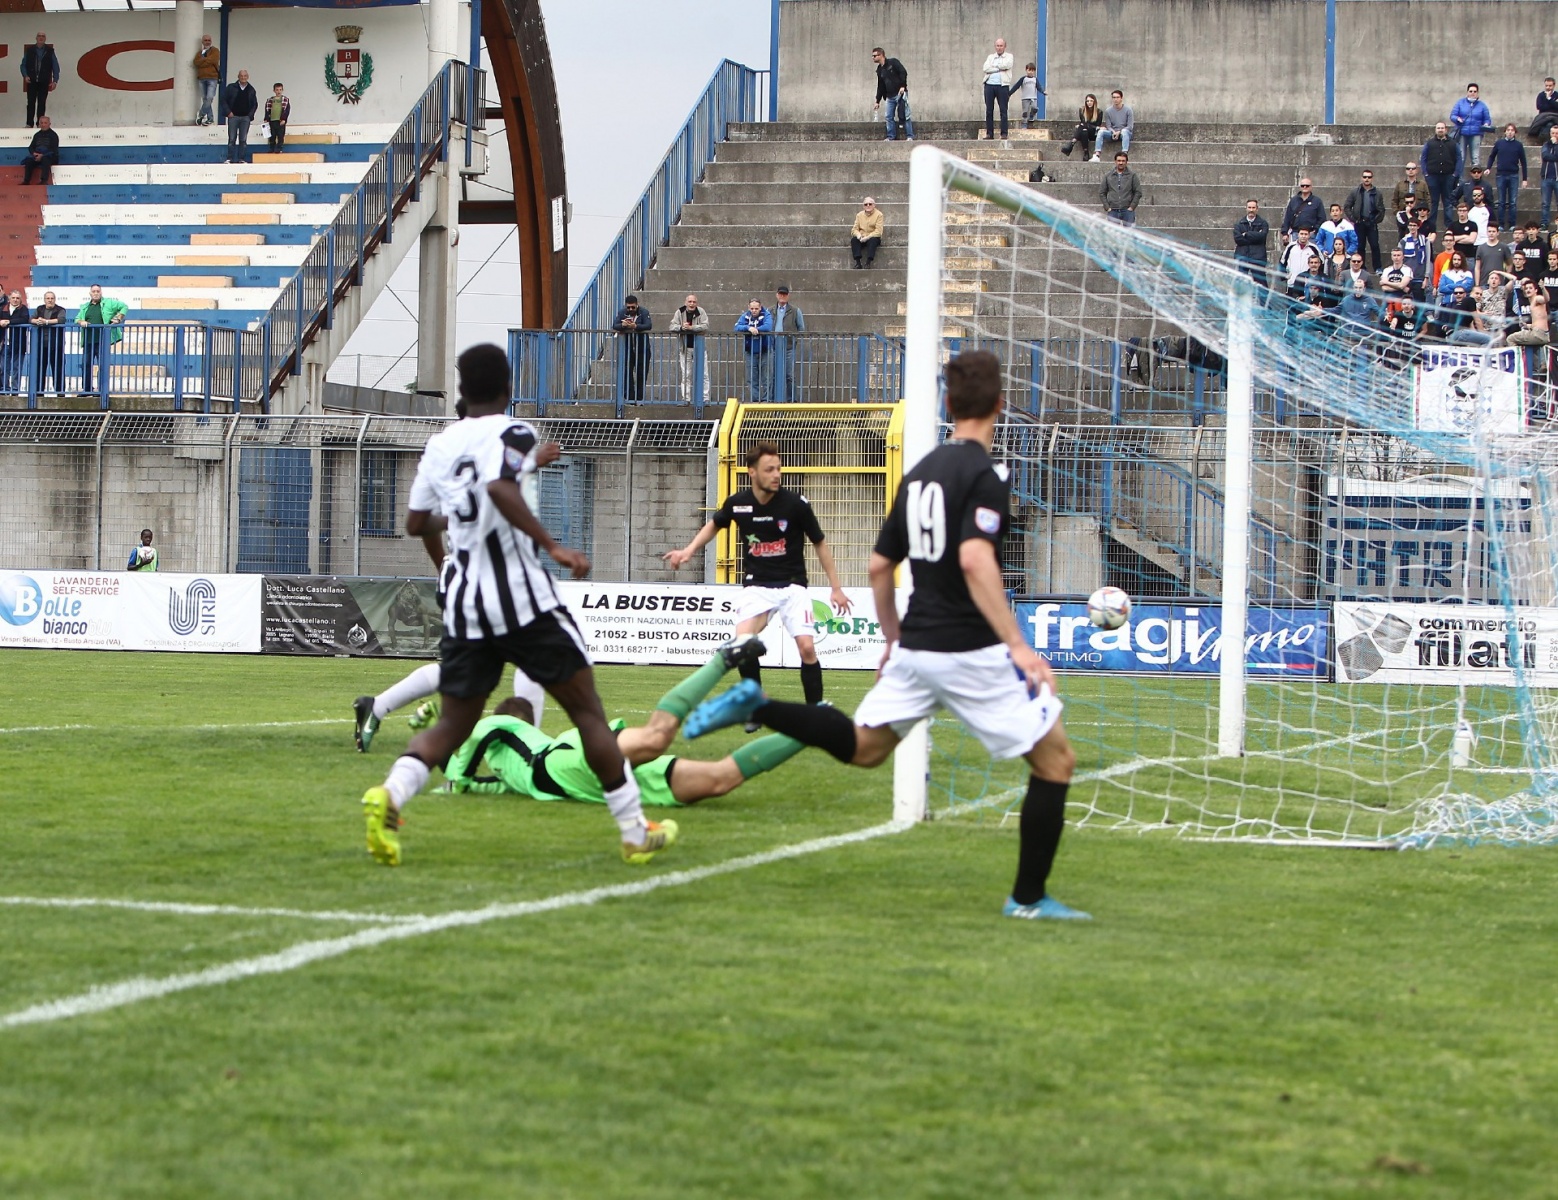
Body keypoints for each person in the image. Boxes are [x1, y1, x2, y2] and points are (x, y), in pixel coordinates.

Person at [683, 351, 1088, 922]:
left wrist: (893, 641)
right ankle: (1027, 898)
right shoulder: (986, 476)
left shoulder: (921, 473)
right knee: (1056, 762)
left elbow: (879, 565)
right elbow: (975, 558)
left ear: (947, 405)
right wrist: (1018, 647)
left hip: (916, 645)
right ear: (1000, 406)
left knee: (866, 748)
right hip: (969, 649)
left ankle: (760, 703)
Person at [361, 343, 675, 868]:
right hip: (522, 598)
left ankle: (390, 794)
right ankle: (633, 831)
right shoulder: (515, 429)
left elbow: (416, 524)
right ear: (508, 388)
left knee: (455, 724)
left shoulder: (440, 445)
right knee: (587, 713)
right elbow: (501, 487)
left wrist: (458, 526)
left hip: (466, 604)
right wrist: (552, 544)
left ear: (461, 390)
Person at [442, 640, 803, 808]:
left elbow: (472, 751)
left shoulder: (503, 725)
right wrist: (467, 784)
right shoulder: (508, 775)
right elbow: (490, 787)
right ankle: (812, 726)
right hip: (595, 788)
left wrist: (453, 783)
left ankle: (722, 661)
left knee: (655, 737)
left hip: (567, 762)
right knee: (720, 780)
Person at [663, 440, 851, 711]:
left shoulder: (796, 504)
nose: (776, 475)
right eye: (769, 469)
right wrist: (688, 550)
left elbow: (820, 542)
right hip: (757, 585)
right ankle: (755, 706)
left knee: (807, 648)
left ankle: (815, 711)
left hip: (792, 585)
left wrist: (836, 588)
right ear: (752, 472)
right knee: (743, 641)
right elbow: (715, 524)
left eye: (778, 469)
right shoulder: (739, 504)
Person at [76, 285, 127, 395]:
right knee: (86, 364)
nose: (96, 293)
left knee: (102, 365)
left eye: (98, 291)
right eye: (93, 291)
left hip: (102, 340)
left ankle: (101, 389)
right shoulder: (85, 306)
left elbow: (124, 306)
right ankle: (87, 389)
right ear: (90, 293)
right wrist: (81, 322)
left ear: (101, 292)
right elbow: (77, 318)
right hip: (88, 340)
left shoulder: (109, 303)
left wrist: (119, 318)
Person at [668, 292, 709, 406]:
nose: (692, 304)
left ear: (697, 303)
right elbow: (672, 326)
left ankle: (705, 399)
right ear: (685, 302)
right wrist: (681, 327)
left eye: (694, 302)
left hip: (699, 347)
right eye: (689, 302)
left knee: (704, 374)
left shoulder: (701, 312)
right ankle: (686, 399)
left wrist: (692, 328)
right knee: (686, 374)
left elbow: (705, 326)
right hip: (685, 348)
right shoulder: (680, 312)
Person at [1421, 122, 1463, 226]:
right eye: (1438, 128)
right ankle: (1431, 224)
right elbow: (1423, 159)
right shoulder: (1429, 143)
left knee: (1448, 202)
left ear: (1446, 129)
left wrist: (1455, 174)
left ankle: (1448, 225)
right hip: (1433, 177)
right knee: (1433, 202)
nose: (1440, 130)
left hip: (1448, 176)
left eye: (1442, 128)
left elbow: (1459, 159)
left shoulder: (1453, 143)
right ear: (1435, 130)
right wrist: (1426, 173)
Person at [1343, 168, 1386, 271]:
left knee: (1375, 246)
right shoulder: (1355, 192)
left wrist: (1376, 220)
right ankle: (1362, 267)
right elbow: (1347, 206)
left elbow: (1381, 209)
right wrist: (1353, 218)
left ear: (1372, 179)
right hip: (1359, 223)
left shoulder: (1377, 193)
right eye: (1365, 177)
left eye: (1369, 177)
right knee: (1361, 246)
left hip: (1371, 223)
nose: (1367, 179)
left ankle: (1378, 267)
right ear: (1361, 178)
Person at [611, 294, 651, 403]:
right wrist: (623, 325)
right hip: (627, 349)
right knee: (627, 374)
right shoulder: (622, 313)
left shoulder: (644, 312)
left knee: (641, 374)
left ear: (637, 305)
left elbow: (648, 325)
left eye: (633, 307)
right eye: (628, 307)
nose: (630, 309)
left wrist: (636, 326)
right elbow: (615, 325)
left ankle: (639, 399)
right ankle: (629, 398)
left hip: (642, 349)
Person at [733, 299, 773, 402]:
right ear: (748, 308)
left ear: (760, 307)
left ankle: (766, 400)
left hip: (765, 350)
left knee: (767, 378)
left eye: (756, 308)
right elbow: (737, 327)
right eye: (752, 308)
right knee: (751, 378)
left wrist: (757, 330)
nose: (754, 311)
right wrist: (748, 328)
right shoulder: (745, 315)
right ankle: (755, 400)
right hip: (750, 351)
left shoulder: (766, 314)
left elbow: (768, 326)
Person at [1450, 83, 1493, 181]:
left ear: (1477, 93)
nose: (1472, 93)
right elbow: (1453, 115)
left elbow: (1487, 119)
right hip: (1462, 133)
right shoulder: (1460, 103)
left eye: (1475, 91)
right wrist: (1457, 119)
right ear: (1467, 92)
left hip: (1476, 133)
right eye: (1471, 91)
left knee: (1475, 157)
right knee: (1461, 157)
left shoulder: (1482, 106)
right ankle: (1460, 179)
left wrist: (1486, 124)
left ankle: (1476, 179)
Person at [771, 285, 805, 402]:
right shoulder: (770, 311)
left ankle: (792, 401)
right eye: (780, 294)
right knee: (772, 375)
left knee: (789, 376)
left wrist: (794, 340)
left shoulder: (795, 311)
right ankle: (772, 400)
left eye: (784, 294)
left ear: (788, 296)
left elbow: (801, 328)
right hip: (773, 347)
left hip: (789, 347)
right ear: (776, 295)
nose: (782, 296)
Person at [871, 47, 913, 142]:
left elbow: (903, 72)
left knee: (905, 114)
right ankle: (891, 136)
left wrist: (903, 86)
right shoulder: (880, 70)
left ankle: (909, 136)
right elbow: (880, 86)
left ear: (881, 55)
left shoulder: (893, 62)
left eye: (874, 56)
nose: (873, 58)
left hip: (900, 93)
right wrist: (877, 101)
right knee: (889, 117)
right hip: (889, 96)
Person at [29, 289, 65, 395]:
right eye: (48, 298)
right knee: (40, 369)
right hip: (41, 345)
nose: (50, 300)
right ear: (44, 300)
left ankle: (60, 394)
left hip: (56, 345)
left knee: (58, 370)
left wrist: (46, 322)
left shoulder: (60, 309)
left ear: (55, 299)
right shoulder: (39, 309)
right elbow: (31, 319)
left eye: (52, 298)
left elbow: (61, 320)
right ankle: (39, 393)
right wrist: (37, 321)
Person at [980, 37, 1015, 144]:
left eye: (1001, 46)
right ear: (995, 46)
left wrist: (994, 67)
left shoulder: (1009, 56)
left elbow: (1007, 65)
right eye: (997, 46)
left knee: (1003, 110)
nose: (999, 48)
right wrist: (999, 68)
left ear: (1004, 46)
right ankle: (989, 134)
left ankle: (1004, 133)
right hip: (989, 85)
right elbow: (985, 68)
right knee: (989, 110)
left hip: (1002, 86)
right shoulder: (990, 57)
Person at [20, 32, 59, 129]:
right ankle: (29, 123)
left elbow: (55, 66)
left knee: (42, 102)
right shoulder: (30, 50)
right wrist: (25, 75)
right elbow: (23, 65)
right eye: (39, 36)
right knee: (31, 102)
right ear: (36, 38)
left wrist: (55, 80)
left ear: (45, 39)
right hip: (32, 80)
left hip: (44, 81)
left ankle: (39, 124)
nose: (41, 38)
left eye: (43, 36)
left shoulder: (50, 51)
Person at [1232, 198, 1270, 288]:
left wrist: (1246, 234)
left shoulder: (1263, 223)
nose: (1251, 210)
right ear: (1246, 208)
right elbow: (1238, 239)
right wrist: (1255, 236)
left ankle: (1263, 302)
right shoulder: (1239, 224)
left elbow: (1262, 236)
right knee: (1241, 284)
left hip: (1258, 257)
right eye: (1249, 207)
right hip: (1242, 256)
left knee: (1261, 285)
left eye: (1253, 208)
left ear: (1257, 209)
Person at [224, 69, 258, 165]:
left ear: (248, 77)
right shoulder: (231, 87)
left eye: (245, 76)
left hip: (245, 118)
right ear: (238, 77)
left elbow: (254, 104)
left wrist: (249, 116)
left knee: (243, 140)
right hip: (233, 117)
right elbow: (224, 100)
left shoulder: (251, 89)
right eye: (241, 76)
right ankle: (229, 158)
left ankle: (241, 159)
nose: (243, 78)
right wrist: (228, 112)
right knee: (232, 139)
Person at [1279, 178, 1324, 251]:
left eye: (1307, 185)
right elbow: (1287, 217)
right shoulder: (1293, 200)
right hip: (1295, 234)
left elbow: (1322, 218)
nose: (1305, 187)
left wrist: (1315, 230)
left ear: (1311, 187)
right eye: (1303, 186)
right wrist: (1285, 233)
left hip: (1311, 235)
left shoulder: (1317, 201)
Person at [1100, 151, 1141, 226]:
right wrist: (1107, 207)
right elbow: (1102, 192)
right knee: (1113, 234)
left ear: (1126, 162)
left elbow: (1138, 192)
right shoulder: (1108, 176)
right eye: (1119, 161)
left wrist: (1132, 207)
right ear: (1115, 161)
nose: (1121, 163)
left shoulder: (1132, 176)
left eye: (1123, 161)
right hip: (1113, 210)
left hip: (1127, 210)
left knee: (1129, 234)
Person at [1508, 278, 1551, 348]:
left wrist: (1543, 288)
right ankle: (1527, 358)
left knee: (1510, 339)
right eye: (1526, 288)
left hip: (1539, 334)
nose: (1528, 290)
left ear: (1536, 290)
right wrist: (1527, 325)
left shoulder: (1537, 299)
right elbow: (1537, 323)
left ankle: (1518, 358)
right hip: (1538, 333)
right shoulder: (1532, 303)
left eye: (1530, 288)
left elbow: (1546, 299)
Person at [1391, 162, 1430, 237]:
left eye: (1413, 168)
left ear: (1417, 170)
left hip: (1418, 214)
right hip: (1404, 214)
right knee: (1403, 236)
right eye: (1408, 168)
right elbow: (1394, 200)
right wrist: (1397, 213)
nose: (1410, 170)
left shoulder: (1423, 184)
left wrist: (1425, 213)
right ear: (1406, 171)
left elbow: (1428, 199)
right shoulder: (1400, 184)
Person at [1092, 89, 1133, 162]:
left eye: (1117, 97)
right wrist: (1113, 132)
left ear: (1121, 98)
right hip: (1112, 133)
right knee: (1101, 132)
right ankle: (1097, 155)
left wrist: (1119, 132)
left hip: (1124, 133)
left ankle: (1124, 154)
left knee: (1124, 131)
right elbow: (1108, 126)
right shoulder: (1108, 111)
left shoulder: (1128, 110)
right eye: (1114, 97)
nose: (1115, 99)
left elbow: (1130, 126)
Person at [0, 290, 28, 393]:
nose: (15, 300)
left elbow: (24, 319)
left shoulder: (23, 309)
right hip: (4, 344)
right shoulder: (3, 308)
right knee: (3, 368)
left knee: (17, 368)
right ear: (9, 298)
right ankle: (5, 389)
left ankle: (15, 390)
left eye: (17, 298)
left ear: (20, 299)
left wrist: (9, 322)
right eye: (13, 298)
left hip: (19, 344)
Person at [1060, 94, 1102, 159]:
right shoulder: (1082, 110)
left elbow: (1097, 126)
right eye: (1087, 101)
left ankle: (1072, 143)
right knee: (1084, 131)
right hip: (1084, 132)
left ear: (1094, 102)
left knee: (1082, 126)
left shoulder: (1099, 112)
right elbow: (1083, 122)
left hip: (1093, 133)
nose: (1089, 103)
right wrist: (1084, 125)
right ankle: (1086, 153)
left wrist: (1084, 125)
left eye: (1091, 101)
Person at [21, 115, 58, 185]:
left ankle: (44, 180)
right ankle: (26, 181)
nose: (43, 125)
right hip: (37, 155)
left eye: (45, 123)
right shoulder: (37, 135)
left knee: (45, 159)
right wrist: (34, 154)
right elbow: (31, 147)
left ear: (49, 124)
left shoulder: (53, 135)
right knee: (29, 160)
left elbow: (53, 149)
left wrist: (42, 155)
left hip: (50, 156)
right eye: (42, 123)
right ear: (39, 124)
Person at [193, 34, 221, 126]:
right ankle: (210, 118)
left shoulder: (215, 51)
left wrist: (203, 61)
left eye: (209, 40)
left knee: (209, 98)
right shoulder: (199, 53)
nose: (207, 41)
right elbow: (196, 62)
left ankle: (201, 115)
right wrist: (205, 60)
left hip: (212, 78)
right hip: (201, 78)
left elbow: (213, 60)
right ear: (202, 42)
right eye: (205, 40)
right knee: (205, 99)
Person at [850, 196, 883, 268]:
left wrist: (868, 237)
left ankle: (868, 262)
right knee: (854, 240)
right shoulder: (859, 215)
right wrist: (859, 235)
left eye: (870, 204)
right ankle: (858, 263)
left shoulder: (879, 215)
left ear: (874, 205)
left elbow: (878, 231)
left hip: (872, 237)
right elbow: (854, 229)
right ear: (863, 206)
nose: (868, 205)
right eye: (866, 204)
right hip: (862, 236)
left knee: (873, 241)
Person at [262, 83, 290, 154]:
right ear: (274, 90)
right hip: (272, 120)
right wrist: (266, 118)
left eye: (280, 90)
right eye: (277, 90)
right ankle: (272, 148)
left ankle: (279, 148)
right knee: (272, 135)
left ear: (282, 90)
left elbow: (287, 110)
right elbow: (267, 110)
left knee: (280, 135)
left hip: (280, 121)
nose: (279, 91)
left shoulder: (285, 100)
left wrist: (284, 119)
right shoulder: (270, 100)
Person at [1018, 63, 1043, 130]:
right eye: (1029, 70)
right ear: (1026, 70)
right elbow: (1016, 86)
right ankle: (1024, 124)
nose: (1031, 72)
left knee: (1034, 108)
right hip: (1025, 98)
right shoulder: (1023, 79)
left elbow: (1039, 87)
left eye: (1032, 71)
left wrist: (1043, 92)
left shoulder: (1035, 79)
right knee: (1025, 112)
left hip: (1033, 97)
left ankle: (1031, 115)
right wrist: (1009, 93)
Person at [1533, 78, 1558, 143]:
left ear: (1554, 85)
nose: (1548, 87)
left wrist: (1549, 99)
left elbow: (1557, 107)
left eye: (1550, 86)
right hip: (1544, 117)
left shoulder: (1556, 95)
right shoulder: (1541, 95)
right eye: (1546, 85)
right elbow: (1539, 107)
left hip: (1555, 117)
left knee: (1551, 124)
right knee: (1548, 125)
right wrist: (1552, 104)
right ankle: (1547, 143)